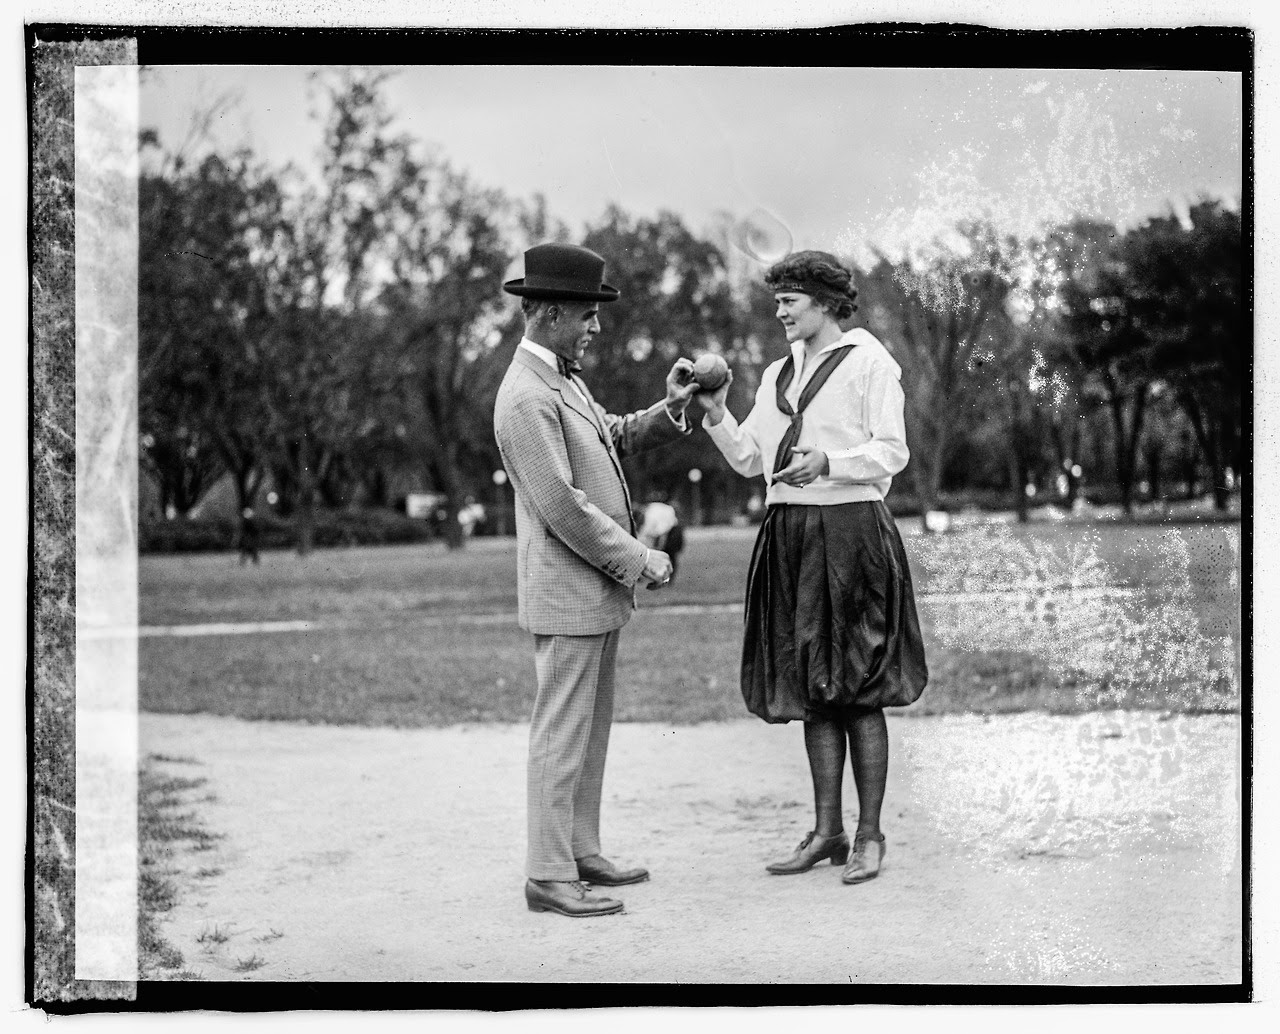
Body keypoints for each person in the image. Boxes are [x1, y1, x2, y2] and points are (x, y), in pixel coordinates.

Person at [695, 250, 928, 885]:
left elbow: (891, 452)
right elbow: (752, 460)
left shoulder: (870, 362)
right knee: (814, 684)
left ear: (823, 303)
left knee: (857, 686)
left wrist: (828, 462)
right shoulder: (776, 374)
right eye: (777, 301)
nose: (779, 311)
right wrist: (717, 413)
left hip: (852, 531)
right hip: (791, 533)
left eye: (789, 301)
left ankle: (870, 835)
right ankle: (827, 832)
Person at [494, 243, 699, 918]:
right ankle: (547, 874)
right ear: (549, 312)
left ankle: (578, 849)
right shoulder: (526, 396)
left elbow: (609, 436)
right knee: (560, 733)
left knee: (587, 733)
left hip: (593, 596)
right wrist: (643, 559)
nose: (596, 326)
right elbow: (564, 510)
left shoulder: (562, 378)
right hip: (568, 592)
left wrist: (669, 410)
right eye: (586, 313)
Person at [637, 498, 684, 583]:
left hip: (672, 531)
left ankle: (667, 579)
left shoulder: (650, 516)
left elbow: (661, 533)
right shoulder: (650, 510)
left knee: (669, 556)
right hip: (668, 530)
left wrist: (659, 546)